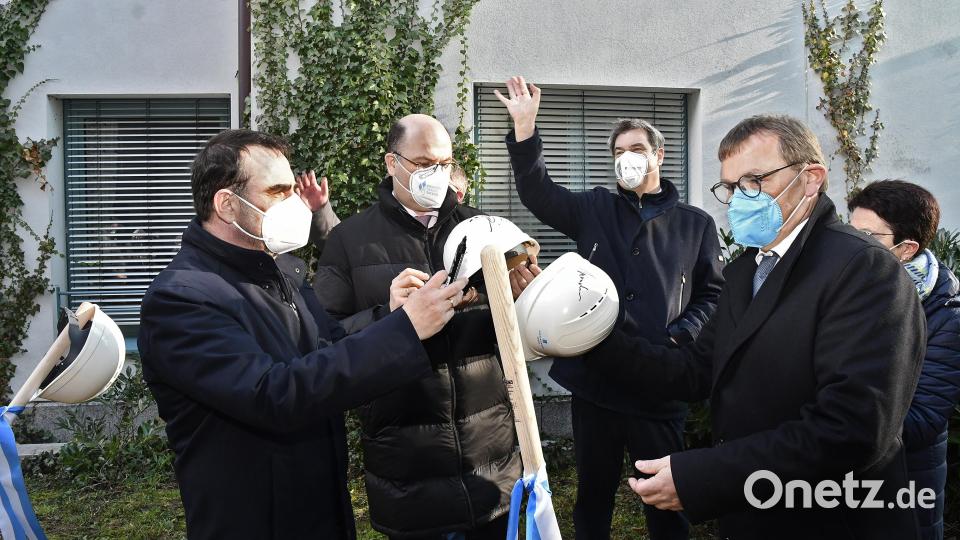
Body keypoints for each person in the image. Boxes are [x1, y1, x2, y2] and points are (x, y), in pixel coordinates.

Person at [588, 115, 926, 540]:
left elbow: (853, 429)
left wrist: (706, 476)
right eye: (730, 187)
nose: (738, 200)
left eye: (754, 180)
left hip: (830, 519)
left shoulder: (863, 269)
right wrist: (589, 338)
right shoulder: (747, 268)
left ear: (810, 179)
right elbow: (692, 369)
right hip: (754, 514)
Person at [138, 129, 468, 539]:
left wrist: (391, 316)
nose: (294, 203)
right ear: (226, 204)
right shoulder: (182, 299)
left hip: (319, 509)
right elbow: (272, 394)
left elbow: (327, 343)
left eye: (292, 190)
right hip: (255, 523)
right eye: (277, 192)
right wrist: (404, 330)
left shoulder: (278, 271)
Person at [495, 76, 723, 540]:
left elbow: (713, 295)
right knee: (592, 496)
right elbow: (539, 192)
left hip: (659, 385)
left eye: (637, 148)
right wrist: (525, 129)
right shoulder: (595, 208)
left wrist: (679, 335)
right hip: (595, 379)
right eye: (619, 151)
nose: (627, 158)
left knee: (664, 502)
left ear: (659, 155)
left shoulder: (695, 224)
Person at [313, 113, 539, 539]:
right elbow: (325, 338)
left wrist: (523, 296)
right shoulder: (351, 240)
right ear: (391, 163)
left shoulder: (485, 231)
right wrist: (388, 314)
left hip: (490, 462)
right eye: (422, 163)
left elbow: (520, 334)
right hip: (408, 469)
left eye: (444, 162)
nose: (436, 174)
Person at [849, 180, 960, 540]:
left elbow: (924, 419)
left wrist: (835, 423)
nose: (852, 245)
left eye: (867, 236)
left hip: (906, 481)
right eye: (849, 231)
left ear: (906, 248)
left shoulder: (946, 316)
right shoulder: (847, 291)